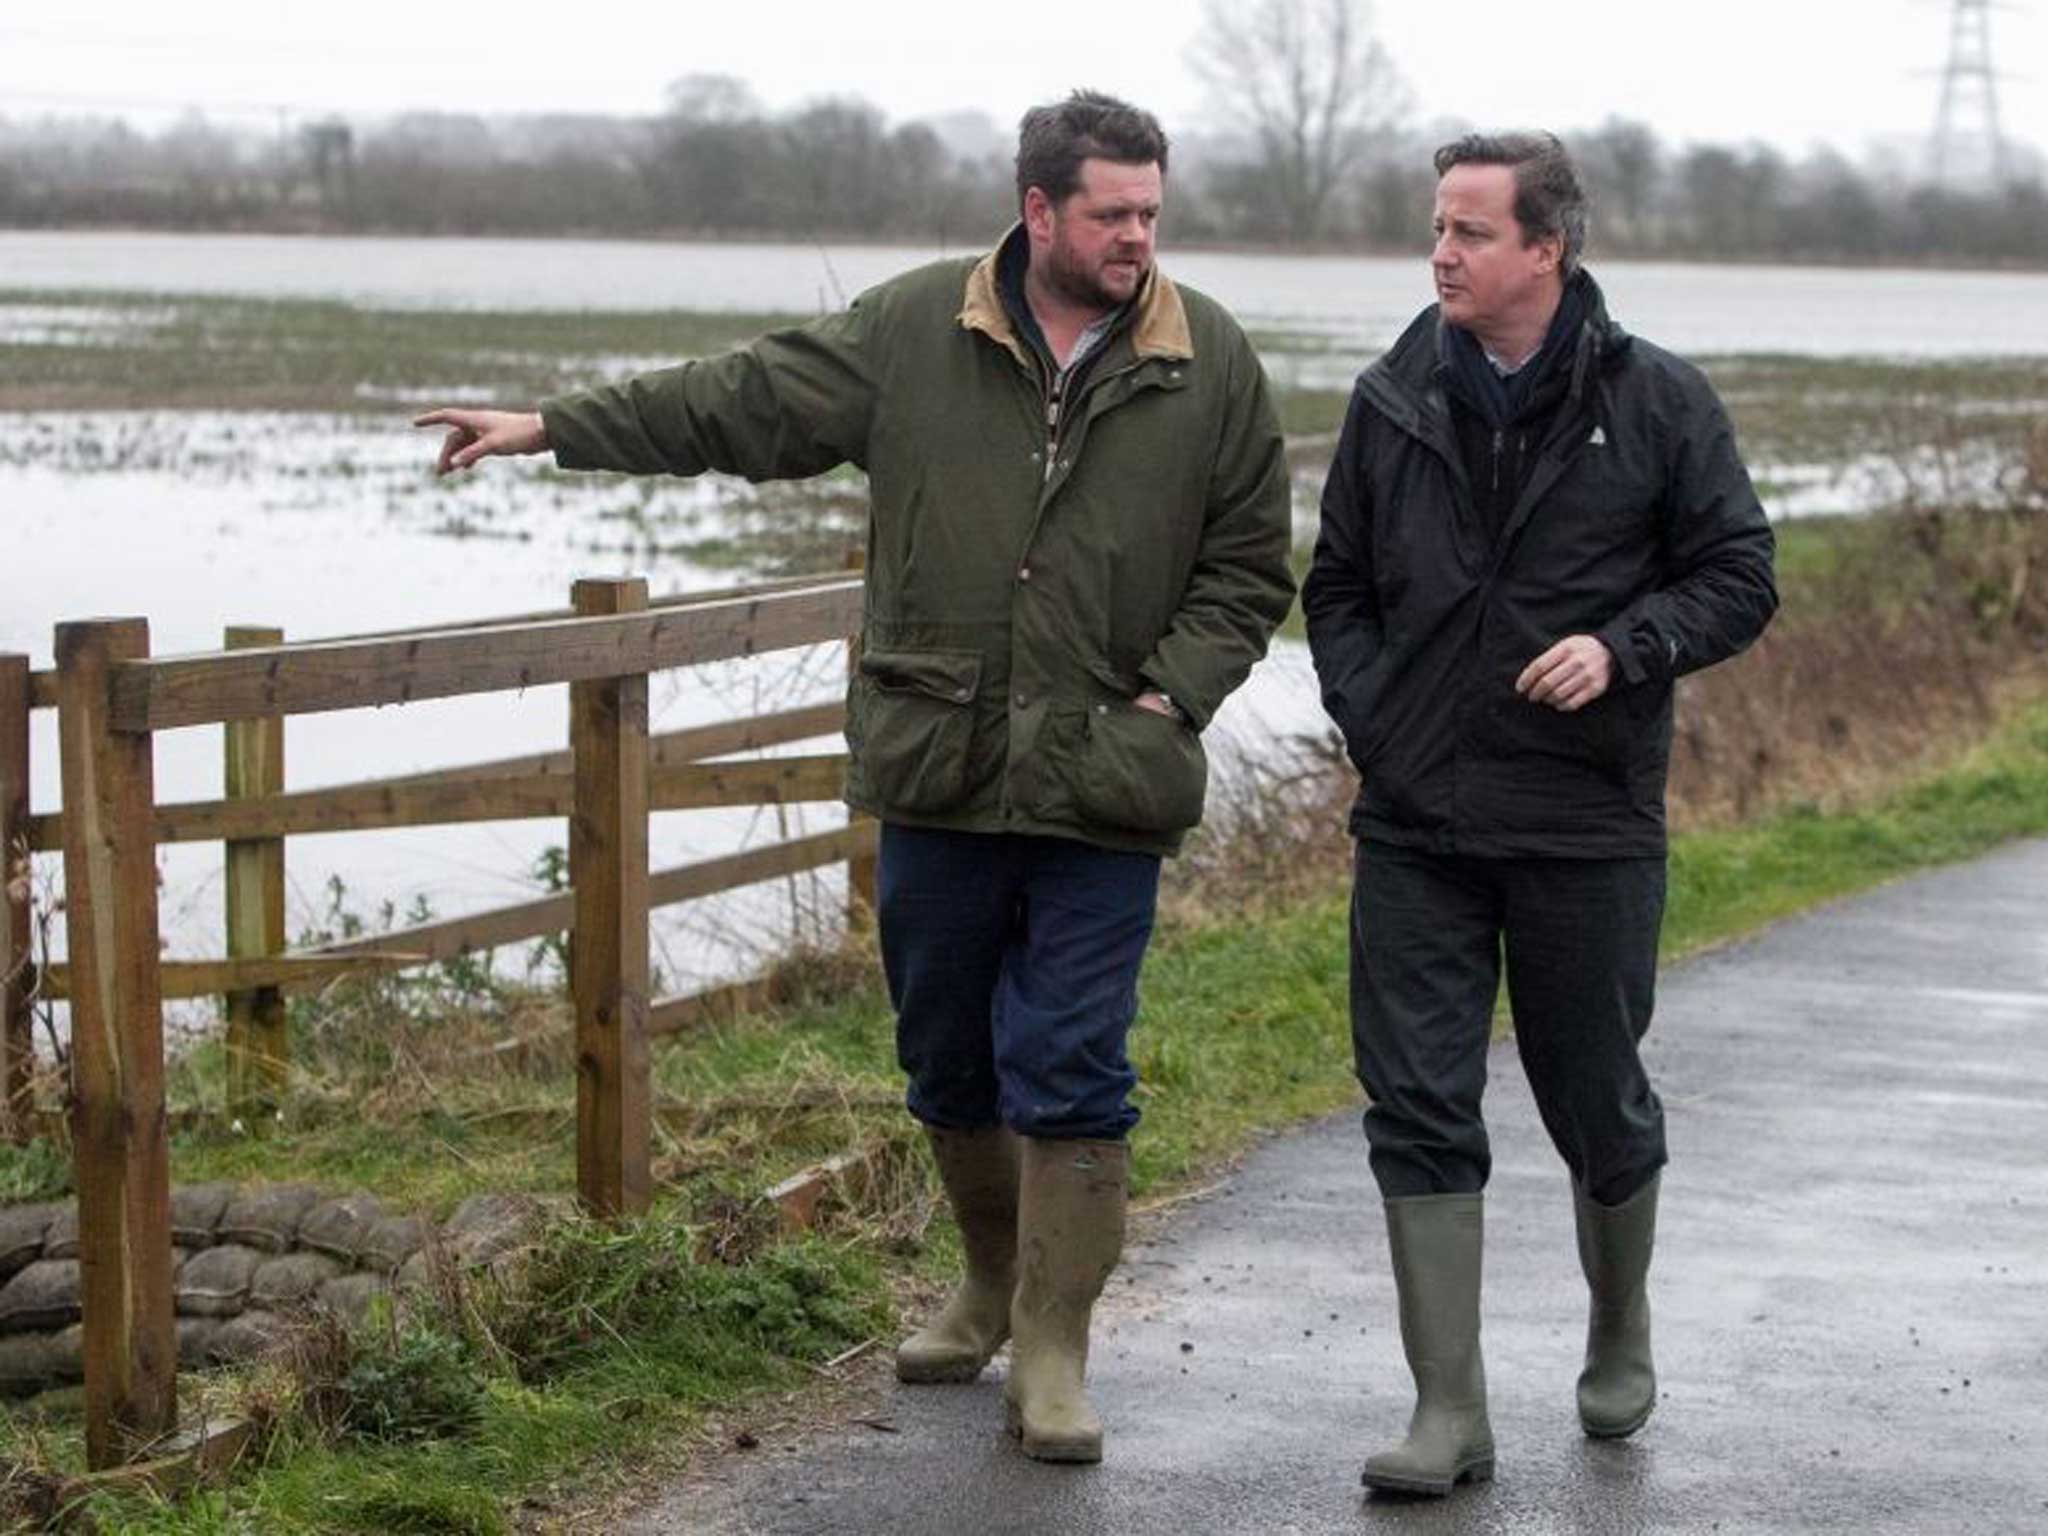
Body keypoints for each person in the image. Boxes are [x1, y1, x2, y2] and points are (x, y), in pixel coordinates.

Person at [416, 90, 1294, 1466]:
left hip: (1103, 787)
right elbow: (739, 401)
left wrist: (1170, 693)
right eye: (1113, 213)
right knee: (944, 1054)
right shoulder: (911, 333)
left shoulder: (1211, 363)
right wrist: (553, 424)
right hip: (937, 768)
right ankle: (990, 1289)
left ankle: (1055, 1351)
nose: (1139, 237)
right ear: (1040, 212)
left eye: (1152, 213)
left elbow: (1250, 568)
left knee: (1072, 1065)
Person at [1303, 131, 1777, 1496]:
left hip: (1584, 819)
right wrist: (1376, 718)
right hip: (1418, 821)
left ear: (1545, 252)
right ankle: (1450, 1413)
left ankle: (1618, 1321)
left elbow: (1741, 573)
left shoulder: (1660, 403)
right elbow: (1334, 587)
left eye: (1470, 231)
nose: (1441, 252)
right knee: (1416, 1102)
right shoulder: (1393, 399)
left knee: (1593, 1096)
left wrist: (1627, 647)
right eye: (1436, 229)